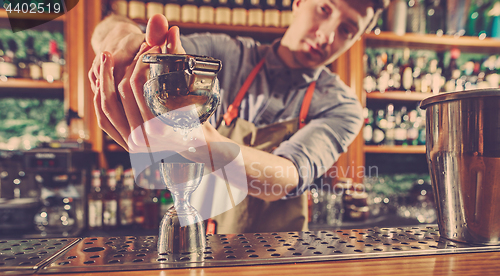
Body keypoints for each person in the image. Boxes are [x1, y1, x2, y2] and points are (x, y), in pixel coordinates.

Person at [89, 0, 389, 233]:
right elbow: (115, 31)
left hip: (282, 260)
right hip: (199, 243)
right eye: (325, 9)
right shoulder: (223, 55)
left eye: (348, 29)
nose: (327, 34)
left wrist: (197, 139)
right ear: (298, 2)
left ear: (357, 39)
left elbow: (286, 178)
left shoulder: (343, 107)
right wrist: (125, 40)